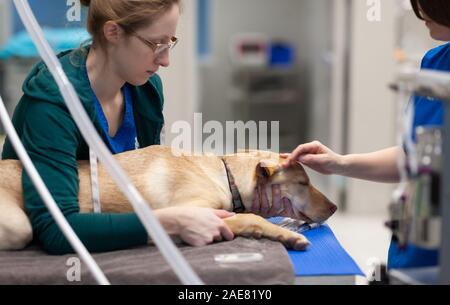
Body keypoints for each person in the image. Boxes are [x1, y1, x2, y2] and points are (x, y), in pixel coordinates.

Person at [1, 0, 236, 255]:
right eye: (156, 44)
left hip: (108, 229)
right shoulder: (53, 105)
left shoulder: (146, 91)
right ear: (113, 32)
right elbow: (58, 230)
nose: (165, 60)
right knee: (17, 231)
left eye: (170, 43)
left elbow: (145, 187)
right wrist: (171, 222)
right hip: (34, 227)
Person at [277, 0, 450, 269]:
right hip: (417, 251)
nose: (420, 12)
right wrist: (339, 163)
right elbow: (415, 156)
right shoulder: (435, 63)